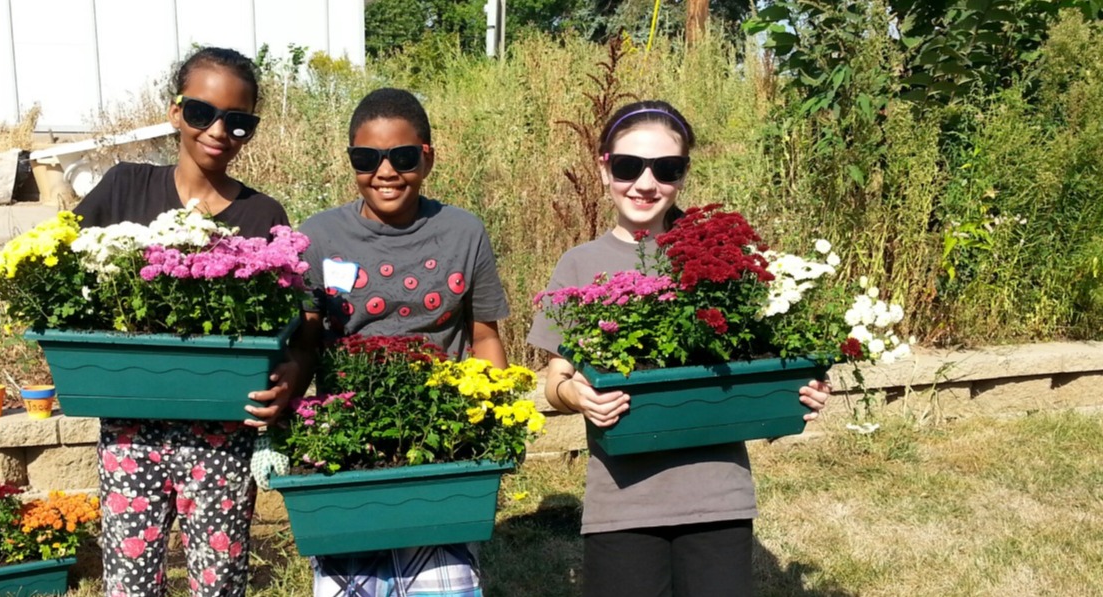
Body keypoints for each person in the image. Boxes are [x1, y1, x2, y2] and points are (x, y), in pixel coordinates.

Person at [526, 100, 833, 597]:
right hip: (621, 502)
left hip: (717, 495)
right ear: (604, 167)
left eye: (665, 169)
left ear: (683, 175)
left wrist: (805, 387)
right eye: (628, 167)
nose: (645, 184)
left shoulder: (723, 259)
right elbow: (554, 380)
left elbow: (763, 360)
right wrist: (577, 396)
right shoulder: (580, 265)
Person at [71, 46, 290, 597]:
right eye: (201, 113)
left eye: (238, 122)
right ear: (175, 112)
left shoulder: (263, 215)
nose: (218, 130)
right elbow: (56, 262)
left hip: (221, 434)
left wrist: (286, 379)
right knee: (129, 583)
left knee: (219, 585)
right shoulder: (125, 187)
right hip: (130, 427)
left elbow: (292, 327)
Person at [285, 87, 511, 597]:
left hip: (443, 439)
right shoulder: (318, 237)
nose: (385, 172)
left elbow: (483, 335)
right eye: (366, 159)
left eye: (402, 157)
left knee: (444, 582)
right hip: (347, 440)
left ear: (427, 157)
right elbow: (306, 343)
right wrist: (286, 414)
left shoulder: (463, 232)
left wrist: (498, 418)